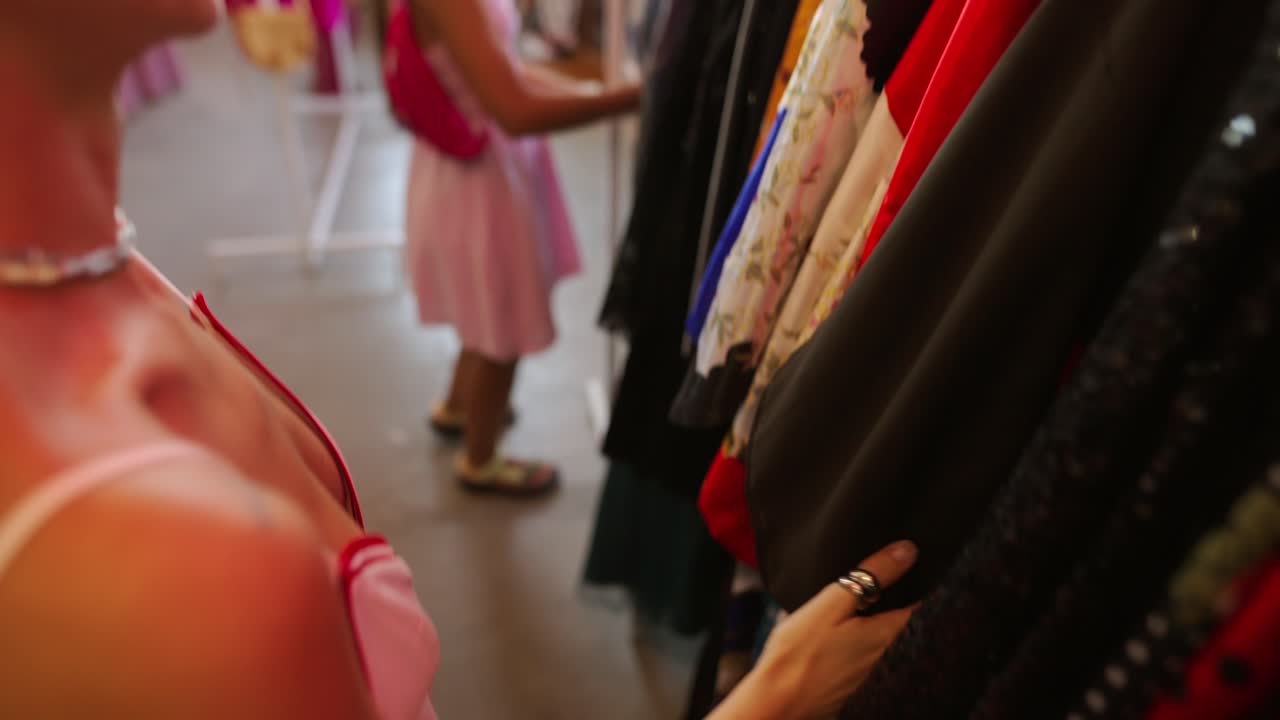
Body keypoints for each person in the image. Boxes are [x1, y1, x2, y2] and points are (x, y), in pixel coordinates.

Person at [0, 0, 917, 717]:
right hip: (479, 176)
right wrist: (773, 699)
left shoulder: (101, 262)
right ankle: (479, 443)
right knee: (498, 328)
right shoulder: (156, 551)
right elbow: (510, 98)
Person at [403, 0, 639, 496]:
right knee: (502, 320)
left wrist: (595, 91)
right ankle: (480, 458)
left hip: (469, 165)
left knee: (480, 305)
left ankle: (456, 407)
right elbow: (513, 109)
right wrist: (626, 100)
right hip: (481, 181)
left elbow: (502, 69)